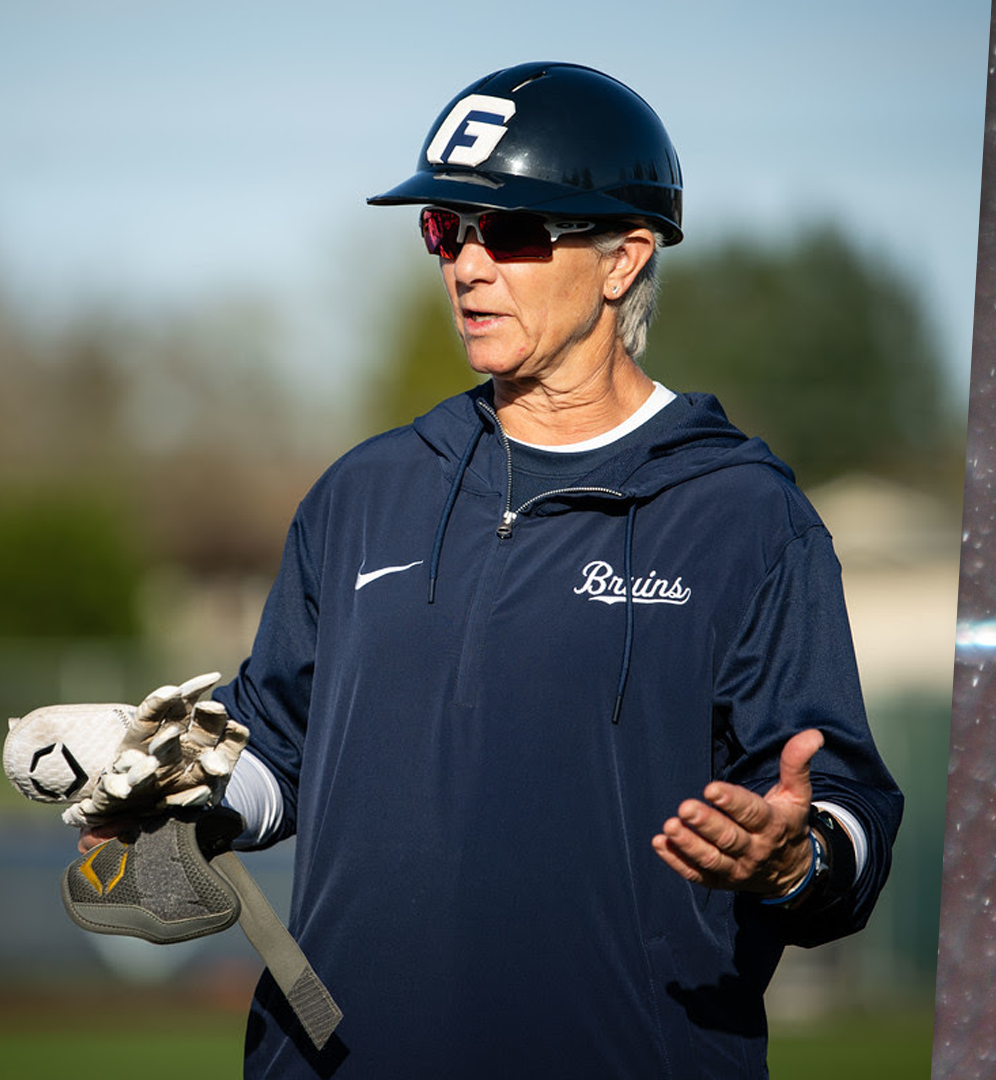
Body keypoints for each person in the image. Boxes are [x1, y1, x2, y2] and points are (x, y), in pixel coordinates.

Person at [69, 61, 902, 1078]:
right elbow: (275, 749)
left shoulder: (746, 517)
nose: (467, 265)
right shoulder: (362, 494)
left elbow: (846, 811)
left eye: (509, 234)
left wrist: (795, 857)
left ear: (623, 258)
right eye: (444, 230)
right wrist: (178, 792)